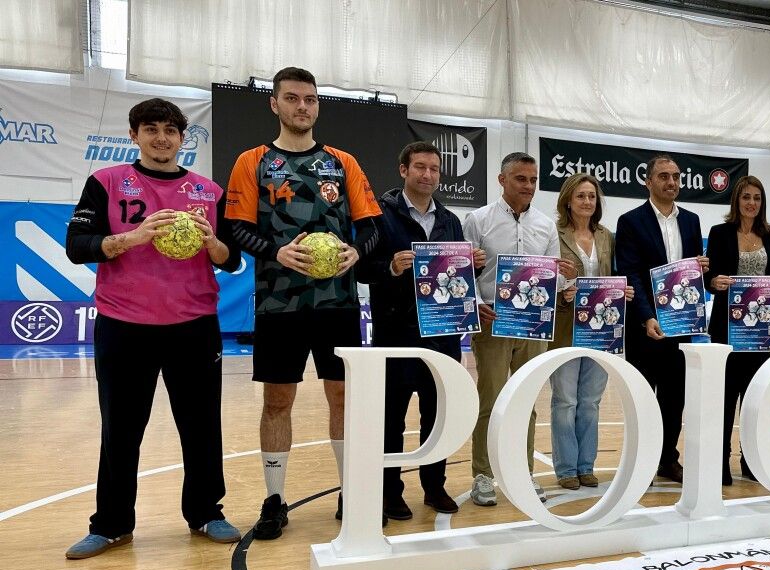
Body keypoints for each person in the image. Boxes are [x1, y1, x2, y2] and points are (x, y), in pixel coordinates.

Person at [63, 97, 242, 558]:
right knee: (120, 428)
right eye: (151, 129)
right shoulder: (106, 182)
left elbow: (233, 258)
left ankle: (207, 512)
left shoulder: (208, 191)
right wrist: (134, 237)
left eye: (170, 130)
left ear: (183, 138)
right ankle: (111, 524)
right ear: (134, 136)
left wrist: (211, 244)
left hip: (194, 325)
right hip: (125, 325)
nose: (161, 138)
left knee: (201, 426)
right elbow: (77, 246)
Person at [225, 66, 382, 539]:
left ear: (317, 106)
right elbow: (235, 227)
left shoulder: (342, 162)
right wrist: (275, 251)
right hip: (279, 304)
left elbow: (371, 227)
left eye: (310, 99)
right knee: (277, 400)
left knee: (342, 397)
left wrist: (357, 251)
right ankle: (274, 499)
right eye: (292, 98)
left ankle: (348, 491)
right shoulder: (252, 161)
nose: (302, 107)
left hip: (337, 303)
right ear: (274, 104)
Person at [359, 140, 487, 518]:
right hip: (396, 331)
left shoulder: (450, 220)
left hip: (443, 334)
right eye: (419, 167)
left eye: (433, 169)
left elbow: (456, 277)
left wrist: (474, 265)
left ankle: (435, 487)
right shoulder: (379, 214)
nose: (427, 174)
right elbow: (362, 268)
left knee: (437, 415)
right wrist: (391, 267)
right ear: (403, 170)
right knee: (392, 418)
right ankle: (390, 491)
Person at [462, 152, 570, 506]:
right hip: (493, 321)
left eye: (533, 180)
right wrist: (477, 302)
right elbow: (464, 271)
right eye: (521, 179)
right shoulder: (477, 220)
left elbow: (555, 277)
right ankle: (483, 475)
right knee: (490, 399)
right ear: (502, 180)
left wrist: (563, 277)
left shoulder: (545, 225)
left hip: (533, 323)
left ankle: (523, 473)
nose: (528, 186)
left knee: (526, 401)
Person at [616, 154, 708, 484]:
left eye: (676, 176)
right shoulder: (630, 221)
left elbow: (693, 275)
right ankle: (639, 464)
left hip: (681, 326)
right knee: (642, 398)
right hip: (645, 328)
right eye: (664, 176)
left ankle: (668, 459)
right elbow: (630, 274)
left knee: (674, 398)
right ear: (649, 181)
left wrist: (701, 268)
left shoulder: (692, 221)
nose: (672, 182)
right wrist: (646, 317)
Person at [549, 173, 634, 490]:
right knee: (566, 401)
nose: (587, 201)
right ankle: (566, 469)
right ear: (568, 200)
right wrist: (563, 290)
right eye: (581, 196)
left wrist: (622, 291)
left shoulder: (606, 236)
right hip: (566, 328)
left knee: (590, 402)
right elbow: (545, 279)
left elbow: (614, 277)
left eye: (592, 196)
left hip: (603, 330)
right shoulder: (554, 234)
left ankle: (586, 466)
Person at [704, 175, 770, 486]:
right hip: (728, 326)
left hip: (761, 328)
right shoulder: (720, 232)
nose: (752, 203)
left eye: (757, 198)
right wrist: (713, 282)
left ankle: (751, 459)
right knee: (725, 398)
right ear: (736, 201)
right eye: (746, 197)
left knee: (755, 397)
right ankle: (720, 461)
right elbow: (710, 275)